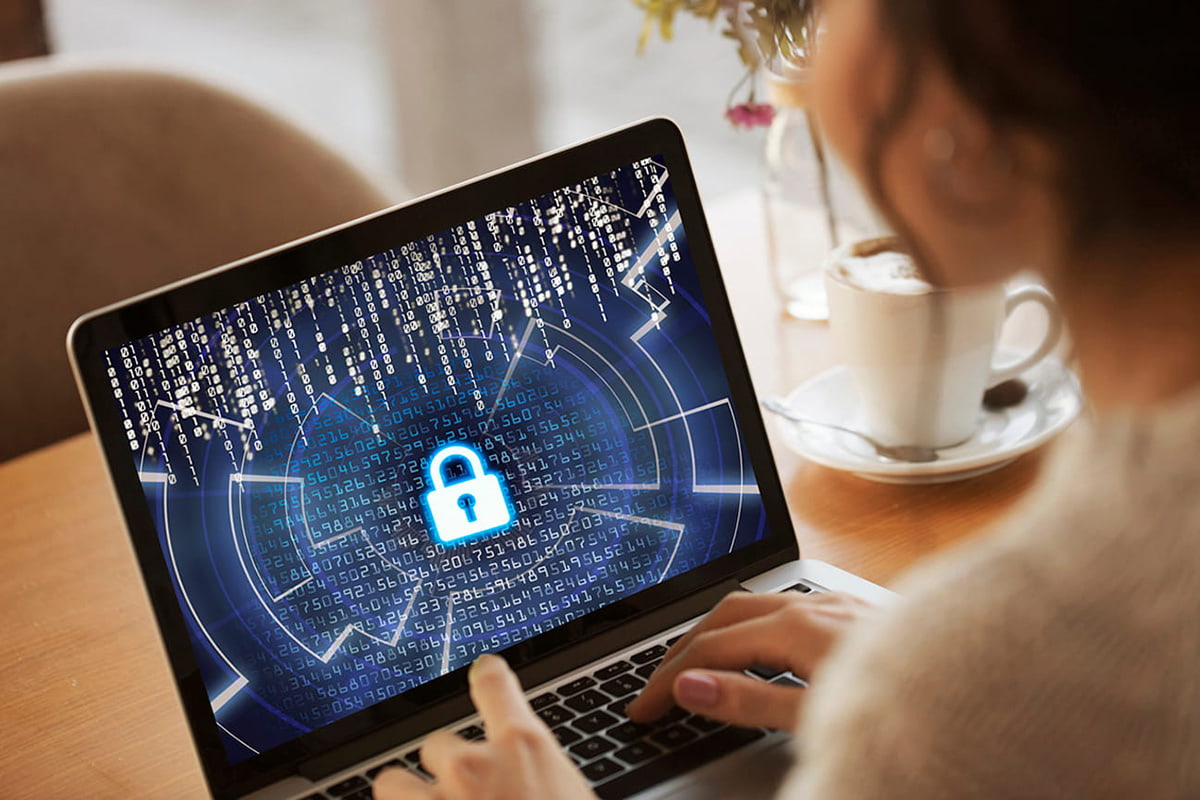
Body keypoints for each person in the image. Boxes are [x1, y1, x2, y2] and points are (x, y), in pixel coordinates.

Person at [374, 0, 1200, 795]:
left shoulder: (961, 713)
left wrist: (939, 695)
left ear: (971, 146)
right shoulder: (1000, 676)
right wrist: (936, 670)